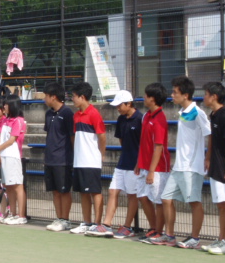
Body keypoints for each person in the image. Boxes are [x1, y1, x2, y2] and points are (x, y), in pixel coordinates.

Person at [153, 76, 211, 249]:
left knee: (194, 202)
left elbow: (210, 134)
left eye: (175, 92)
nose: (172, 95)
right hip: (179, 166)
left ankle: (195, 238)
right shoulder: (183, 113)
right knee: (165, 198)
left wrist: (207, 158)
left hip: (192, 167)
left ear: (185, 95)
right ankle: (169, 235)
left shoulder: (198, 112)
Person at [87, 90, 151, 238]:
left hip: (136, 165)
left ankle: (127, 227)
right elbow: (122, 141)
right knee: (113, 191)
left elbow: (144, 144)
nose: (118, 108)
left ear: (128, 104)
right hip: (122, 162)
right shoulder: (121, 119)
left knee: (132, 195)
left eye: (120, 105)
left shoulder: (141, 119)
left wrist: (139, 162)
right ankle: (107, 225)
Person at [202, 82, 225, 255]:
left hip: (224, 167)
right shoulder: (214, 115)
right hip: (215, 166)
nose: (204, 97)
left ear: (214, 96)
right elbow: (212, 140)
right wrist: (208, 158)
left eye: (206, 94)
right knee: (220, 205)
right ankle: (222, 238)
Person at [69, 82, 106, 235]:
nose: (72, 99)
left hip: (91, 161)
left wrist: (100, 154)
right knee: (83, 193)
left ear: (82, 97)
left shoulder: (94, 114)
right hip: (79, 161)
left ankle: (97, 224)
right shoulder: (76, 116)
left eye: (74, 97)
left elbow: (102, 137)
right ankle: (86, 222)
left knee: (95, 192)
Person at [135, 83, 171, 244]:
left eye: (146, 96)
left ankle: (159, 231)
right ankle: (154, 228)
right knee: (142, 196)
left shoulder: (160, 118)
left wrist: (151, 171)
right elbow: (144, 143)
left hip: (157, 168)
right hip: (144, 165)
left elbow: (159, 146)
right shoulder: (146, 116)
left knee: (158, 200)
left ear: (153, 99)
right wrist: (139, 162)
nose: (144, 98)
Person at [42, 82, 74, 232]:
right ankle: (58, 218)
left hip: (63, 158)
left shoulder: (67, 113)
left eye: (46, 96)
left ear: (53, 97)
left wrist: (72, 155)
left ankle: (65, 220)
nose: (44, 99)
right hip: (50, 158)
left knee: (64, 190)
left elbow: (72, 136)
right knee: (55, 190)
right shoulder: (48, 114)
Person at [0, 94, 28, 225]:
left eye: (6, 105)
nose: (4, 107)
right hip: (4, 155)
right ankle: (13, 213)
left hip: (13, 156)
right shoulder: (6, 120)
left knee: (18, 186)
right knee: (10, 186)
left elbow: (12, 139)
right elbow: (0, 137)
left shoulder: (18, 120)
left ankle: (21, 215)